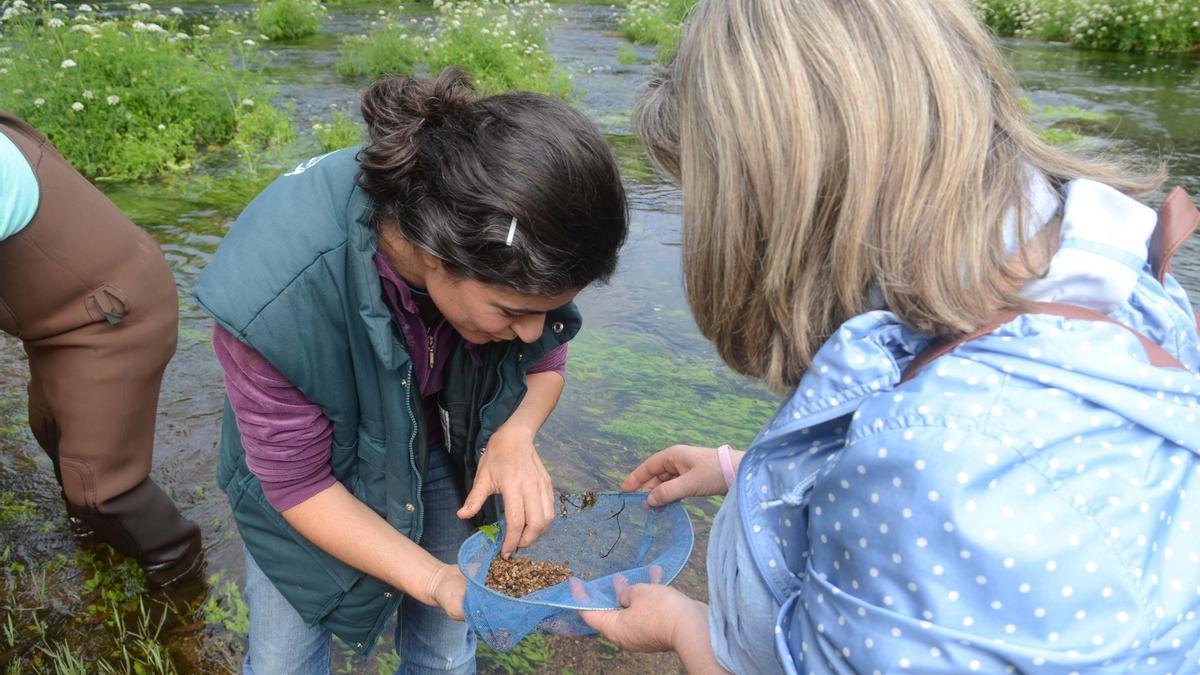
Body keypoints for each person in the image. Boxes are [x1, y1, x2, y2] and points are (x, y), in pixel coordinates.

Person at [580, 1, 1200, 673]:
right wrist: (739, 466)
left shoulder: (949, 458)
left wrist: (688, 627)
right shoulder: (1103, 270)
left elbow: (935, 451)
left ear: (782, 203)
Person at [193, 67, 627, 673]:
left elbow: (545, 354)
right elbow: (296, 487)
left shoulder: (514, 233)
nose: (532, 329)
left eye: (548, 310)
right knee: (282, 657)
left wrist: (516, 434)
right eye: (514, 312)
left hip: (424, 436)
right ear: (436, 250)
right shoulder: (273, 297)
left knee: (447, 656)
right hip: (301, 477)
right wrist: (434, 582)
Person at [0, 111, 202, 587]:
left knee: (99, 487)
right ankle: (101, 541)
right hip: (57, 318)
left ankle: (181, 578)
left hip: (112, 315)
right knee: (50, 429)